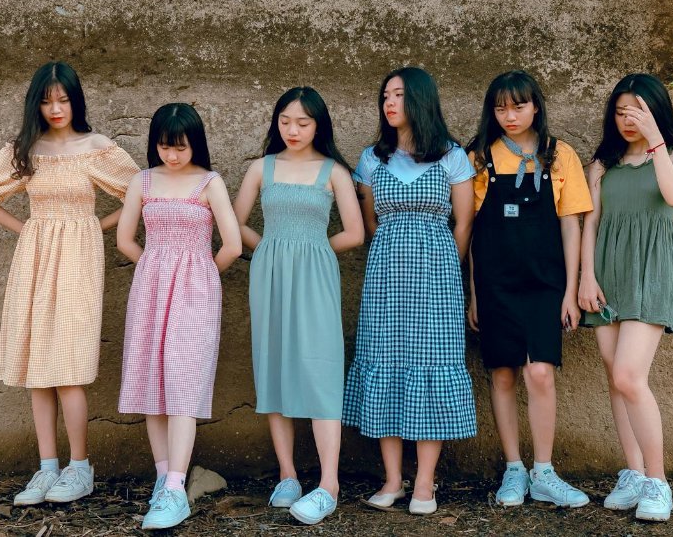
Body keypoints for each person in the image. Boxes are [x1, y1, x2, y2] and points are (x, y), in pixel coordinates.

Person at [0, 61, 139, 506]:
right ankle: (47, 468)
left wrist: (95, 226)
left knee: (68, 365)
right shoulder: (25, 149)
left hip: (79, 260)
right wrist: (27, 230)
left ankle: (80, 468)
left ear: (75, 101)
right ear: (36, 104)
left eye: (63, 100)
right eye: (47, 101)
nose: (55, 109)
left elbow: (140, 192)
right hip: (35, 258)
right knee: (38, 370)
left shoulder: (96, 147)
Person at [343, 66, 477, 516]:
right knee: (385, 363)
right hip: (385, 279)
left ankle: (423, 482)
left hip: (437, 278)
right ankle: (392, 479)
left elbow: (463, 223)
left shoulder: (452, 156)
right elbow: (370, 223)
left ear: (420, 99)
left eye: (398, 95)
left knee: (431, 364)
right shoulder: (371, 159)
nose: (389, 103)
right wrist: (397, 253)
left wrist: (443, 268)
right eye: (385, 95)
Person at [232, 87, 364, 525]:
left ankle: (329, 484)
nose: (293, 129)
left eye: (303, 122)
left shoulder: (334, 171)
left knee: (321, 369)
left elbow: (355, 232)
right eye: (285, 121)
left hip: (316, 276)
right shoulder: (261, 167)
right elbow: (234, 222)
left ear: (318, 125)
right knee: (273, 365)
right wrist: (269, 247)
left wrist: (313, 249)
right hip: (269, 276)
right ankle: (287, 475)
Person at [579, 73, 673, 522]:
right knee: (615, 378)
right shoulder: (602, 164)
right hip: (607, 275)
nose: (627, 119)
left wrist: (655, 141)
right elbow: (591, 224)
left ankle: (657, 482)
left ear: (656, 112)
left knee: (630, 376)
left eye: (637, 111)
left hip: (650, 272)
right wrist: (586, 278)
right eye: (620, 112)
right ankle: (633, 473)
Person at [466, 70, 593, 508]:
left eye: (518, 106)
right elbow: (472, 232)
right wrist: (474, 293)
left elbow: (571, 225)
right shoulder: (479, 157)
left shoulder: (561, 155)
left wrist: (570, 290)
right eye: (500, 108)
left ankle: (544, 471)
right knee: (502, 372)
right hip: (495, 283)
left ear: (535, 106)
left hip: (545, 284)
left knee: (539, 372)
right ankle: (513, 469)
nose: (510, 115)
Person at [115, 103, 242, 531]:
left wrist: (199, 272)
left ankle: (176, 488)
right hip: (150, 291)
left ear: (195, 144)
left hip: (195, 294)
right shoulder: (142, 181)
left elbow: (232, 245)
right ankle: (163, 479)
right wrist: (155, 267)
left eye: (181, 147)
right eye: (165, 146)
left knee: (184, 383)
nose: (172, 155)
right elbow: (125, 239)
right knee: (153, 382)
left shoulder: (210, 182)